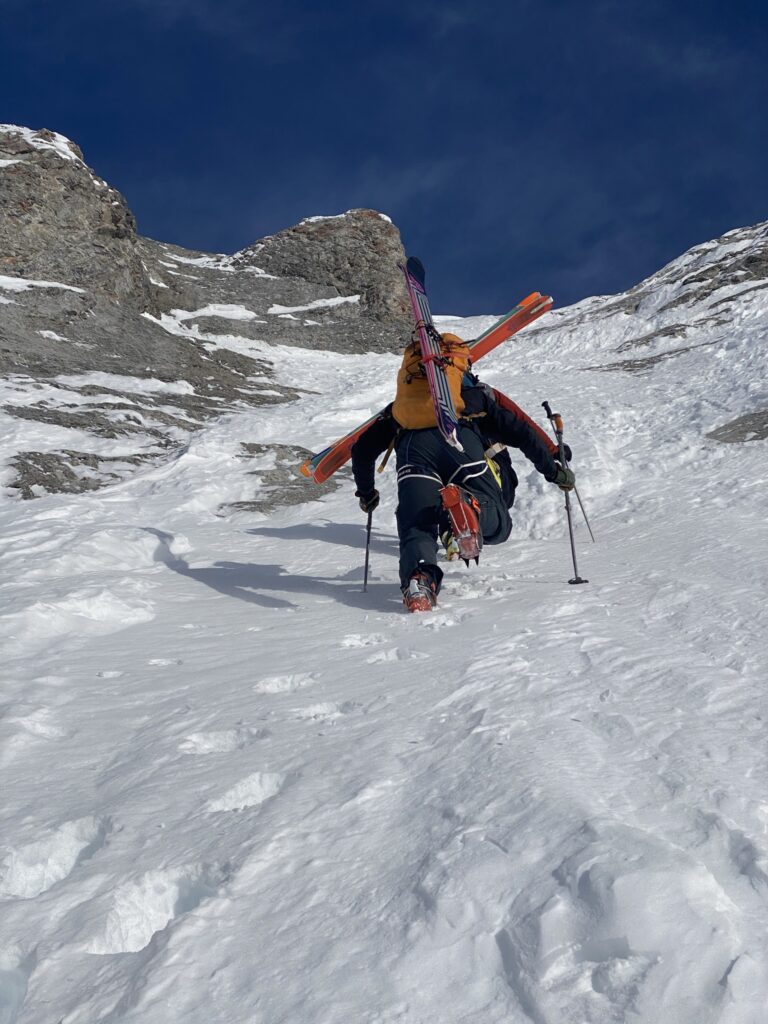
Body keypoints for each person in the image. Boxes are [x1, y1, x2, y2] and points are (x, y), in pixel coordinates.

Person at [351, 333, 575, 612]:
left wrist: (367, 493)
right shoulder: (475, 395)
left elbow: (361, 450)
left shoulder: (401, 408)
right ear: (460, 365)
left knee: (417, 523)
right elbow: (522, 432)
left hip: (412, 450)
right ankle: (472, 507)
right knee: (498, 524)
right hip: (460, 443)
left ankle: (420, 581)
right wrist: (553, 470)